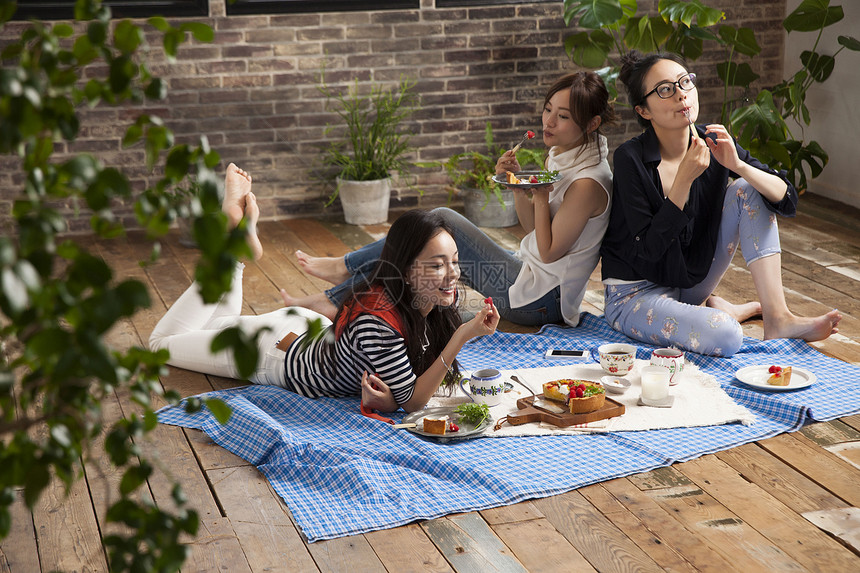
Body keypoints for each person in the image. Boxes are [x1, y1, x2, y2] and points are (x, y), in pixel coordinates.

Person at [149, 164, 500, 413]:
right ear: (407, 271)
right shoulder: (380, 321)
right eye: (437, 265)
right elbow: (412, 400)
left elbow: (409, 385)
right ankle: (229, 252)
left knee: (207, 328)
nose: (452, 274)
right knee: (159, 346)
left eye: (454, 261)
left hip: (303, 333)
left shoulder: (422, 300)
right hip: (271, 353)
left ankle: (235, 251)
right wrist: (462, 337)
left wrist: (393, 397)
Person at [286, 71, 617, 327]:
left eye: (562, 116)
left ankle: (340, 281)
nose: (548, 121)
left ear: (592, 123)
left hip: (541, 301)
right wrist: (517, 187)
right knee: (428, 246)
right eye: (548, 109)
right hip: (530, 278)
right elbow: (533, 228)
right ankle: (341, 290)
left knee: (440, 222)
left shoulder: (588, 183)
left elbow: (547, 251)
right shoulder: (562, 154)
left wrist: (541, 195)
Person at [600, 50, 841, 357]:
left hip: (689, 281)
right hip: (635, 293)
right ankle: (713, 308)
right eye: (665, 89)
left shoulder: (714, 140)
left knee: (748, 188)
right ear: (644, 111)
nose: (681, 95)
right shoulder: (629, 158)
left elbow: (786, 199)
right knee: (726, 334)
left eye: (685, 82)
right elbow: (648, 251)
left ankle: (778, 318)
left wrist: (738, 165)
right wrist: (684, 179)